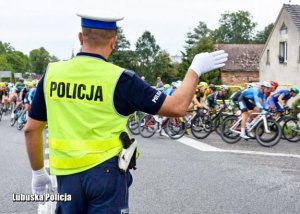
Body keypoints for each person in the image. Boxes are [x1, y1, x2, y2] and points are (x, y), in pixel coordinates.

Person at [24, 10, 228, 213]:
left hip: (66, 177)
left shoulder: (52, 74)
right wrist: (195, 69)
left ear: (80, 37)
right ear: (113, 41)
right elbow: (177, 107)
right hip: (106, 176)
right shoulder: (122, 79)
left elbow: (31, 129)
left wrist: (38, 172)